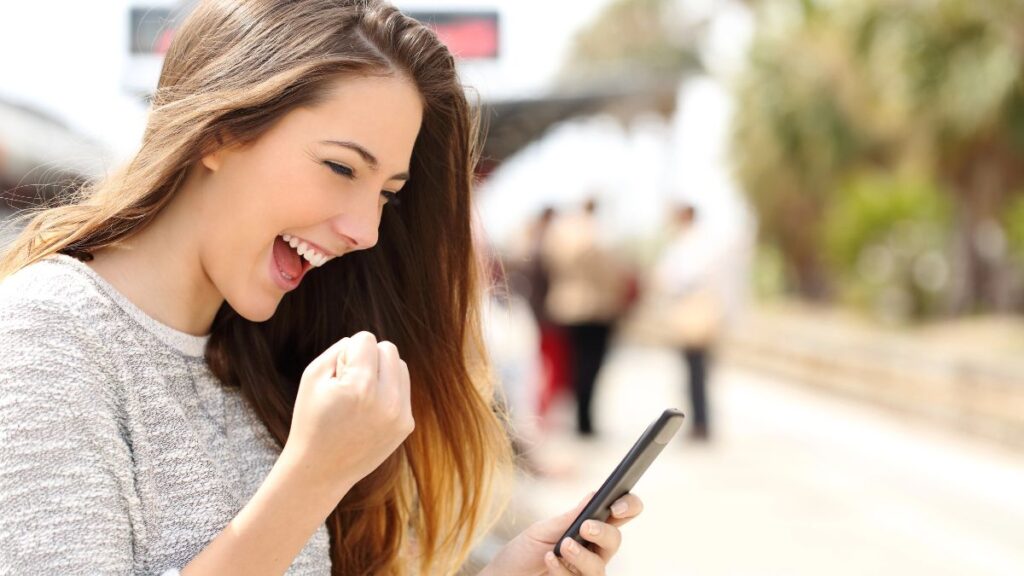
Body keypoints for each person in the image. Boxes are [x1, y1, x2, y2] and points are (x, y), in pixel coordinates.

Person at [0, 2, 643, 575]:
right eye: (340, 167)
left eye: (388, 193)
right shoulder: (46, 337)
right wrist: (312, 477)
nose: (365, 231)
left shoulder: (259, 357)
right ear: (221, 131)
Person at [542, 197, 631, 436]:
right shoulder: (602, 234)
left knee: (573, 364)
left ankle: (575, 415)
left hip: (566, 306)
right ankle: (585, 418)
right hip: (596, 307)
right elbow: (614, 274)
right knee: (591, 365)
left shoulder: (560, 234)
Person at [652, 204, 724, 441]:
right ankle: (699, 422)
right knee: (693, 372)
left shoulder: (694, 243)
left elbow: (682, 276)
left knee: (697, 371)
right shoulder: (694, 242)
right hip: (692, 311)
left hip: (694, 311)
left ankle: (701, 424)